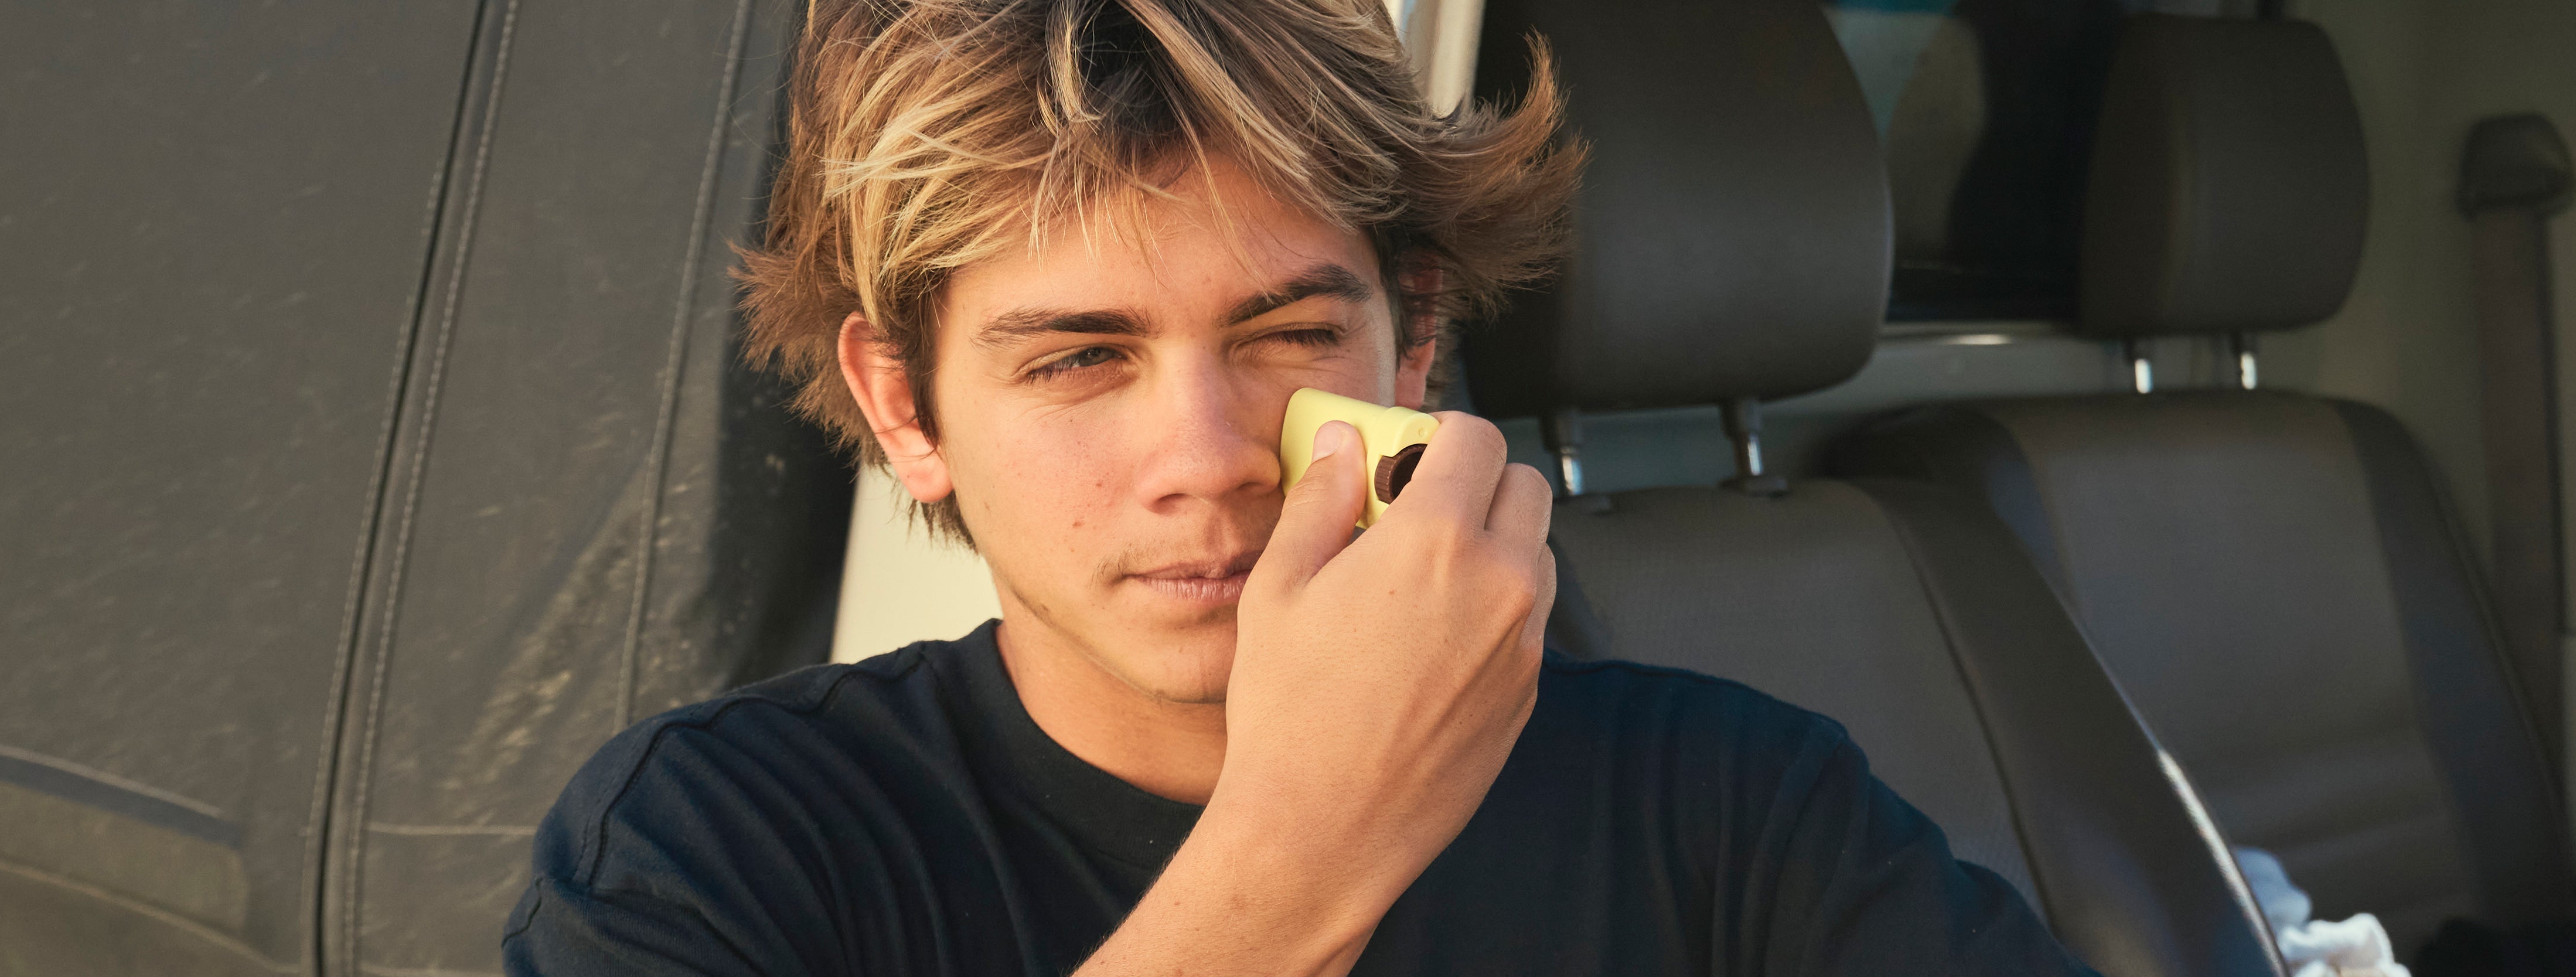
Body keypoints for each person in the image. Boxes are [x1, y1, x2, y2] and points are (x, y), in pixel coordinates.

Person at [501, 1, 2097, 973]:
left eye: (1285, 336)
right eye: (1079, 360)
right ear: (906, 409)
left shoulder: (1729, 808)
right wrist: (1305, 853)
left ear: (1415, 347)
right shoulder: (713, 852)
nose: (1205, 456)